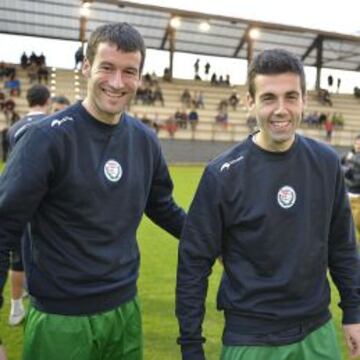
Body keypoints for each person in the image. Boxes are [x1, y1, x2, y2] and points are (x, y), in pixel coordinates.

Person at [0, 22, 185, 360]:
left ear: (140, 78)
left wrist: (215, 239)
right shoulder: (46, 139)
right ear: (86, 67)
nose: (117, 82)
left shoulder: (145, 141)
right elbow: (3, 227)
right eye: (107, 68)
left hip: (124, 311)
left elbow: (162, 206)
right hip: (61, 319)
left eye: (129, 71)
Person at [176, 48, 360, 360]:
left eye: (291, 97)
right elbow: (193, 263)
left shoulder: (326, 162)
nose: (281, 109)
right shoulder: (222, 175)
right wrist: (191, 346)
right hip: (251, 339)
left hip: (318, 333)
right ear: (250, 101)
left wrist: (354, 311)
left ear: (304, 99)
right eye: (268, 98)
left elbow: (342, 245)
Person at [6, 84, 51, 327]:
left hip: (19, 201)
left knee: (17, 258)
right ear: (47, 100)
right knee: (44, 255)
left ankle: (15, 308)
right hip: (45, 206)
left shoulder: (14, 128)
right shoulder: (54, 123)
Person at [342, 135, 360, 235]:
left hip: (357, 196)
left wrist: (347, 172)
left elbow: (355, 178)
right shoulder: (350, 154)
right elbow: (339, 164)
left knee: (355, 226)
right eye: (356, 143)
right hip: (348, 193)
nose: (358, 146)